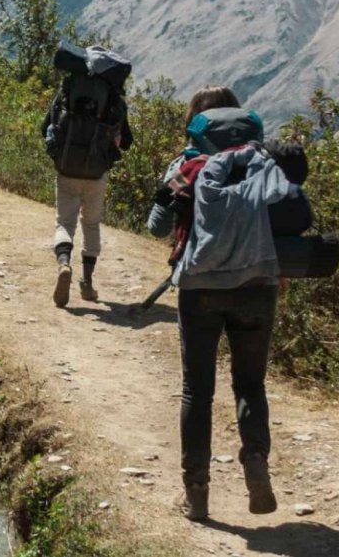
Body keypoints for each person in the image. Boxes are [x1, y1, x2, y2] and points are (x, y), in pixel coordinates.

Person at [146, 85, 295, 523]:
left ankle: (197, 494)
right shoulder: (261, 161)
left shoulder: (186, 165)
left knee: (198, 389)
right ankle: (255, 463)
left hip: (200, 289)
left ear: (197, 121)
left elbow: (156, 227)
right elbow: (287, 219)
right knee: (250, 384)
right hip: (258, 285)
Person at [42, 47, 133, 306]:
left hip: (66, 168)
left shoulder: (67, 92)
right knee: (91, 225)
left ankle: (63, 265)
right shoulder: (115, 100)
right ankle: (88, 283)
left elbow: (44, 127)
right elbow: (126, 141)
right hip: (96, 173)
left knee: (64, 223)